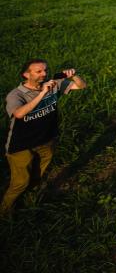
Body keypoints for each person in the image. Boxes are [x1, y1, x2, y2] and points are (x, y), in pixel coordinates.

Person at [3, 60, 86, 214]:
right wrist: (42, 93)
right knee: (20, 182)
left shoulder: (53, 84)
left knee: (37, 176)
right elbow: (19, 114)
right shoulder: (16, 94)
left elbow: (82, 86)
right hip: (21, 145)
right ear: (26, 74)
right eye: (39, 71)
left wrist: (74, 76)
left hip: (46, 140)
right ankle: (5, 212)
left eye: (45, 70)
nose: (44, 74)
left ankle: (29, 201)